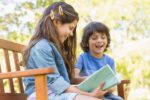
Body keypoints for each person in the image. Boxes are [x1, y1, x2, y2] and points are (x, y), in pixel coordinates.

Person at [23, 2, 108, 100]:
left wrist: (93, 80)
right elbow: (55, 82)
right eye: (70, 28)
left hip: (57, 93)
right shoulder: (41, 47)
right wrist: (90, 95)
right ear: (56, 22)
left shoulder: (54, 47)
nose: (71, 34)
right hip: (43, 95)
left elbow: (65, 81)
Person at [75, 22, 123, 100]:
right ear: (87, 42)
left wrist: (106, 89)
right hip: (87, 94)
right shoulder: (82, 58)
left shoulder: (110, 61)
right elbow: (74, 78)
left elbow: (113, 85)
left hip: (106, 94)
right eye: (94, 38)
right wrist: (90, 79)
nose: (99, 40)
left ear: (107, 40)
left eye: (103, 37)